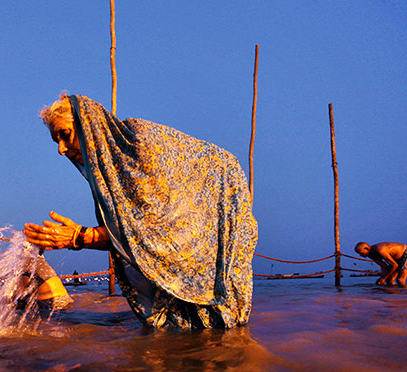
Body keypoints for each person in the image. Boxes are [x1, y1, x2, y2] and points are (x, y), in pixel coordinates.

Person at [23, 94, 257, 329]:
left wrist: (81, 237)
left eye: (65, 135)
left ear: (88, 125)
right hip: (189, 234)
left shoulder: (139, 144)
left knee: (214, 331)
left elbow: (155, 231)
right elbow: (135, 236)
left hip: (223, 206)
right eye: (56, 141)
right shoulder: (110, 174)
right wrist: (80, 238)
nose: (61, 150)